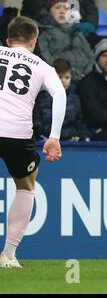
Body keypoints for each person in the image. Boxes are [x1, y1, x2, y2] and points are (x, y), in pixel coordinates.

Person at [0, 17, 66, 268]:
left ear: (8, 40)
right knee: (26, 186)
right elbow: (60, 94)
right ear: (34, 42)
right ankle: (8, 254)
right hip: (16, 134)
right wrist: (54, 137)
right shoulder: (42, 65)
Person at [37, 0, 95, 82]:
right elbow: (45, 57)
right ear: (49, 12)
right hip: (58, 78)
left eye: (66, 8)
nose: (62, 11)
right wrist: (61, 72)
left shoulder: (78, 32)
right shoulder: (45, 33)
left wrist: (85, 72)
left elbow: (89, 55)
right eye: (57, 8)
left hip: (82, 78)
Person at [36, 58, 91, 141]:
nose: (63, 81)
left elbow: (79, 122)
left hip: (73, 139)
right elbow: (46, 126)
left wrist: (85, 134)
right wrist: (70, 135)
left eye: (67, 77)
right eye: (60, 77)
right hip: (50, 140)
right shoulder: (45, 97)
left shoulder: (74, 97)